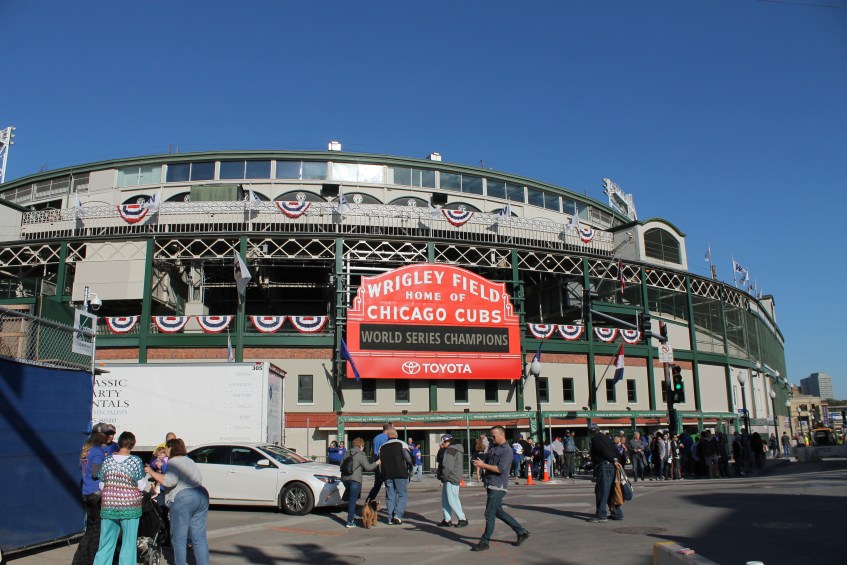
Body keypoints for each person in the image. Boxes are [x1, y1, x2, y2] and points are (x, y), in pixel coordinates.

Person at [145, 438, 209, 565]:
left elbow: (170, 481)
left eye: (167, 448)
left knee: (179, 538)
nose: (165, 450)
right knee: (199, 537)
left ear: (171, 448)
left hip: (183, 498)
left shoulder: (173, 462)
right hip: (201, 495)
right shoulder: (189, 460)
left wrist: (151, 472)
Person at [471, 425, 530, 551]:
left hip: (498, 485)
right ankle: (521, 532)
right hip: (491, 483)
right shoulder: (494, 447)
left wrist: (483, 465)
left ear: (502, 435)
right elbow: (487, 460)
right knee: (498, 511)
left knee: (489, 513)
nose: (492, 438)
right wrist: (478, 461)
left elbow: (499, 469)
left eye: (494, 436)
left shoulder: (507, 450)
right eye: (491, 436)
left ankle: (485, 541)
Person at [92, 431, 146, 565]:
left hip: (109, 505)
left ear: (119, 443)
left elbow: (102, 484)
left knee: (105, 543)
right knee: (128, 543)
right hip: (130, 507)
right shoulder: (135, 461)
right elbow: (141, 486)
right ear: (132, 445)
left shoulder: (108, 460)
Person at [71, 427, 109, 565]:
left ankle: (81, 558)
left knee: (91, 529)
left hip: (87, 492)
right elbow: (95, 473)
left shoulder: (88, 451)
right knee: (96, 531)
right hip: (96, 493)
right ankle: (90, 559)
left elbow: (82, 467)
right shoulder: (98, 452)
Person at [339, 437, 378, 527]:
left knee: (352, 498)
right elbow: (368, 467)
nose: (363, 447)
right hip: (355, 479)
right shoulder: (361, 454)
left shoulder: (347, 452)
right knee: (353, 500)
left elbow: (341, 464)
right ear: (360, 445)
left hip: (345, 478)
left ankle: (352, 514)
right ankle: (350, 521)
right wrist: (377, 463)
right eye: (363, 445)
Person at [588, 423, 622, 523]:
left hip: (604, 466)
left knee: (602, 491)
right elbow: (616, 451)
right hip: (612, 466)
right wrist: (617, 461)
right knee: (612, 491)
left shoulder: (596, 438)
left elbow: (603, 450)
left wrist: (612, 459)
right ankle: (617, 513)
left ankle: (601, 514)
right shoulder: (606, 438)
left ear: (590, 431)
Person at [378, 428, 412, 524]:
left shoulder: (382, 447)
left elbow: (379, 462)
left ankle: (389, 517)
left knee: (390, 496)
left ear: (388, 436)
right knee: (402, 494)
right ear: (396, 435)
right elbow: (408, 458)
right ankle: (397, 514)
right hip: (400, 472)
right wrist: (410, 468)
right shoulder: (402, 444)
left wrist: (382, 474)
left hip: (387, 474)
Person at [436, 434, 468, 527]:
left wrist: (444, 477)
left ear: (446, 442)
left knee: (452, 499)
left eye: (443, 443)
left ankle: (462, 519)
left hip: (451, 477)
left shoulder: (450, 450)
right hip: (451, 477)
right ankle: (447, 519)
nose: (442, 445)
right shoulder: (454, 449)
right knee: (446, 499)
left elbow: (447, 466)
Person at [366, 423, 392, 502]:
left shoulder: (376, 438)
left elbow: (372, 451)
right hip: (386, 464)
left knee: (377, 485)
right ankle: (391, 507)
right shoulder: (388, 438)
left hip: (377, 463)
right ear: (389, 429)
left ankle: (368, 503)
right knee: (389, 485)